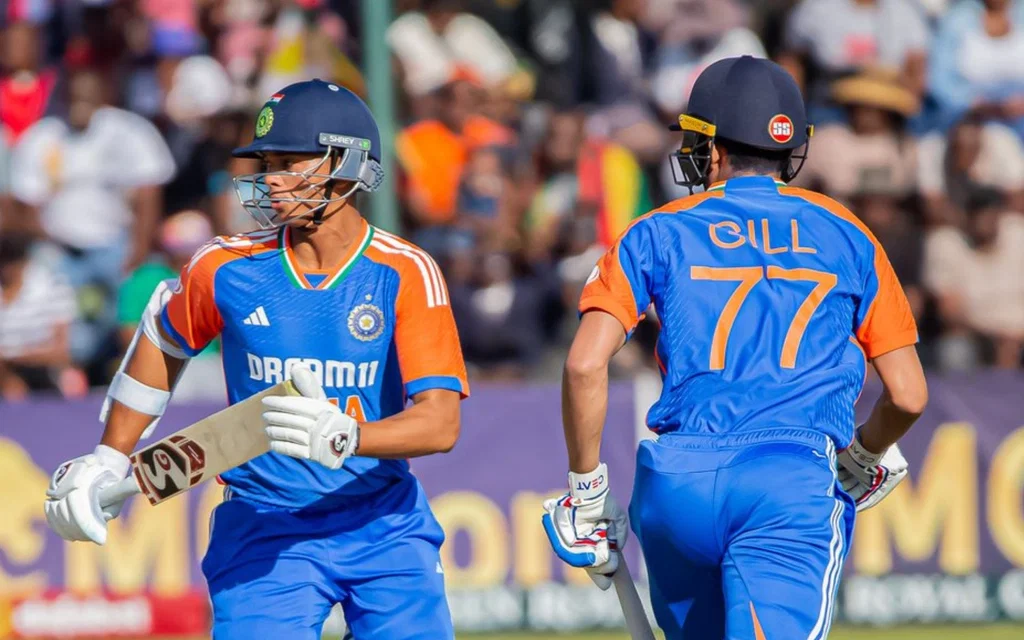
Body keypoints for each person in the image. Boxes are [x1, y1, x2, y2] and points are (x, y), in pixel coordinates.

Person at [43, 79, 469, 639]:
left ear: (347, 162)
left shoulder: (405, 271)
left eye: (289, 162)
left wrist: (347, 436)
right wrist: (110, 457)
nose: (268, 178)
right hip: (263, 527)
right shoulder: (225, 266)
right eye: (266, 162)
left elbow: (440, 423)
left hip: (383, 524)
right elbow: (162, 340)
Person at [542, 56, 928, 639]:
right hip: (788, 482)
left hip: (676, 483)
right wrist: (863, 456)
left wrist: (585, 489)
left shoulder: (658, 227)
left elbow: (584, 363)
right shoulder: (847, 231)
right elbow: (908, 395)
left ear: (714, 150)